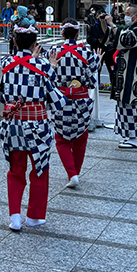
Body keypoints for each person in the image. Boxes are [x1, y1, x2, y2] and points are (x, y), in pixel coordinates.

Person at [0, 25, 65, 231]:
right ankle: (34, 216)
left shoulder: (6, 63)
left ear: (15, 42)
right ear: (35, 43)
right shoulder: (42, 65)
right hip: (37, 124)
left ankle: (15, 216)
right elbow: (57, 100)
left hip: (14, 124)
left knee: (16, 170)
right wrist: (51, 68)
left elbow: (0, 96)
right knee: (40, 169)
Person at [51, 18, 99, 188]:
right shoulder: (86, 53)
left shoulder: (54, 51)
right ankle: (75, 172)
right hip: (81, 100)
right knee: (80, 138)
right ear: (78, 34)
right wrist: (97, 61)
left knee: (62, 138)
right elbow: (93, 80)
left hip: (61, 100)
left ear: (62, 33)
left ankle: (72, 173)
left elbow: (48, 76)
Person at [112, 5, 137, 149]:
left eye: (128, 13)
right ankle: (130, 135)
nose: (125, 16)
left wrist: (112, 25)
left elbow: (125, 41)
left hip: (131, 75)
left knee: (129, 105)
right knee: (124, 105)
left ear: (136, 16)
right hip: (125, 74)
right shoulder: (132, 29)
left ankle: (133, 137)